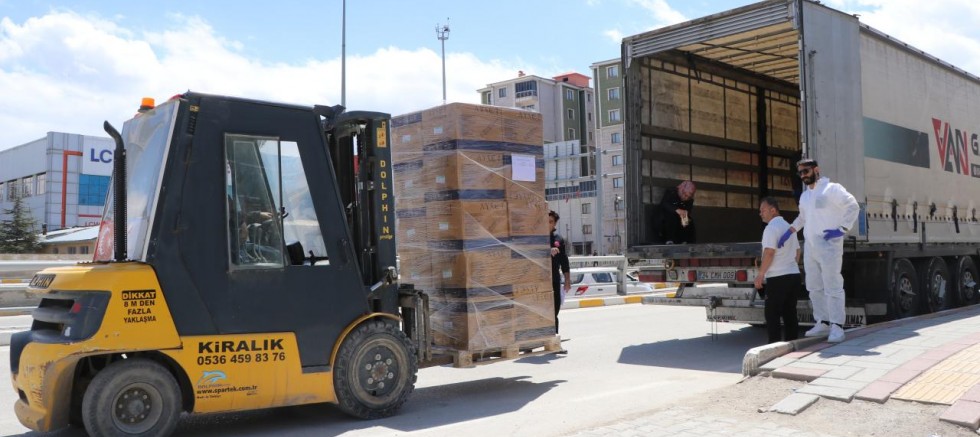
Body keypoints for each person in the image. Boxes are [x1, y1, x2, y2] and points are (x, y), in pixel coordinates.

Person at [778, 159, 859, 343]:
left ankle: (837, 326)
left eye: (806, 171)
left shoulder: (832, 189)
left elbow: (852, 205)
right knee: (813, 286)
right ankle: (822, 322)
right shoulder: (805, 196)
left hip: (829, 246)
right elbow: (802, 218)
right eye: (800, 173)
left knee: (833, 286)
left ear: (816, 170)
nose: (803, 175)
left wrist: (842, 229)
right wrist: (789, 232)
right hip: (811, 247)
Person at [754, 197, 802, 344]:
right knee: (790, 313)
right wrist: (790, 265)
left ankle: (773, 346)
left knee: (772, 314)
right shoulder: (789, 227)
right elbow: (798, 251)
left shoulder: (771, 228)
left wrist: (760, 274)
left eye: (763, 210)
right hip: (793, 276)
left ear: (773, 210)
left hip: (778, 278)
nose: (760, 214)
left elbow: (769, 252)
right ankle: (792, 344)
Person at [549, 210, 571, 354]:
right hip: (539, 280)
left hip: (554, 279)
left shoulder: (558, 238)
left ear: (555, 223)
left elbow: (564, 261)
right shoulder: (536, 238)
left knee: (554, 311)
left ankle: (554, 344)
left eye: (550, 221)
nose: (547, 224)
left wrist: (567, 280)